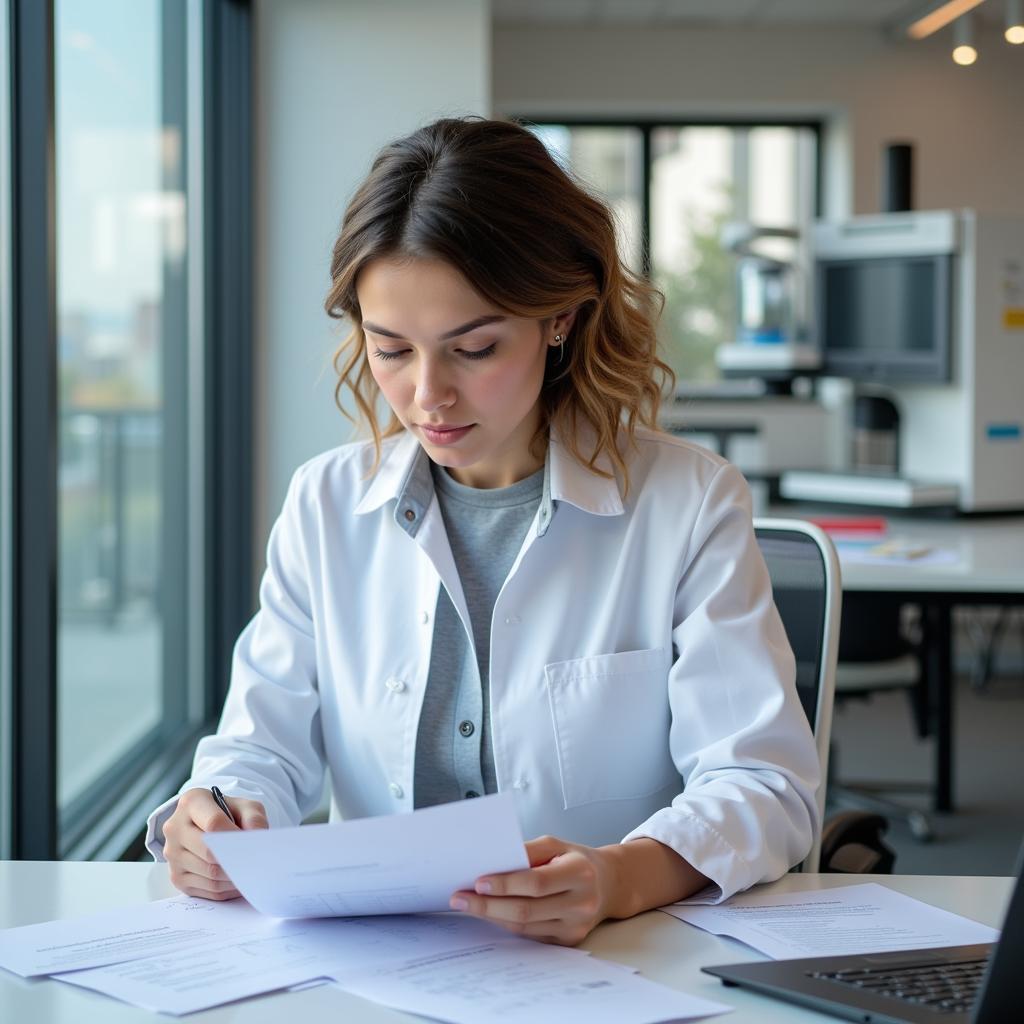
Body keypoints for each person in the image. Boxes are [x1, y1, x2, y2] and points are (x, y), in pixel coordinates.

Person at [147, 115, 820, 947]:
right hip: (380, 968)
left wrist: (618, 876)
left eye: (474, 349)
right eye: (390, 349)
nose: (429, 395)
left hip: (618, 964)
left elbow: (766, 783)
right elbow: (260, 749)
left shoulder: (687, 502)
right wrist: (218, 817)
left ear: (561, 319)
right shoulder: (325, 504)